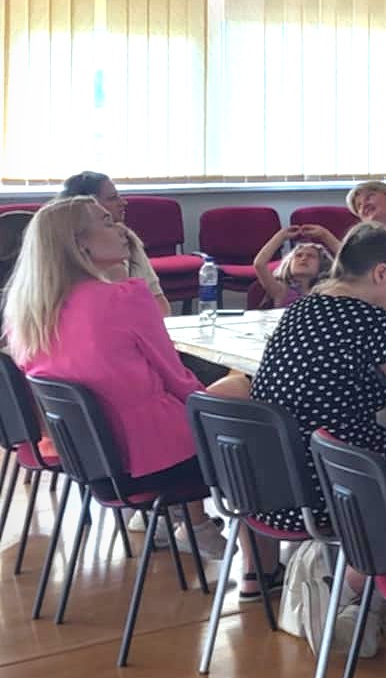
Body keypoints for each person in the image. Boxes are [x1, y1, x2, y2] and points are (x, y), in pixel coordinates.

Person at [4, 197, 248, 501]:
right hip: (160, 460)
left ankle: (188, 524)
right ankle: (251, 527)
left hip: (90, 462)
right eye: (107, 222)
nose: (123, 228)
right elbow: (179, 382)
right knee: (244, 387)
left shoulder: (28, 312)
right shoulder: (124, 298)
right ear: (79, 243)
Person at [247, 224, 386, 624]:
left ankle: (356, 588)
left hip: (271, 486)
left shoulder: (301, 308)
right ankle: (361, 590)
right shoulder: (376, 323)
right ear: (381, 273)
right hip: (330, 489)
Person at [56, 171, 169, 315]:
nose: (123, 203)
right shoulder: (58, 263)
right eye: (112, 198)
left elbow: (161, 306)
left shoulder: (127, 241)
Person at [252, 221, 341, 310]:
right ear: (289, 264)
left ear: (322, 264)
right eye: (298, 255)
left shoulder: (328, 289)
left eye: (311, 256)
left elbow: (349, 260)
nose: (304, 258)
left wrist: (324, 235)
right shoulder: (282, 291)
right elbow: (259, 264)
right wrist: (281, 236)